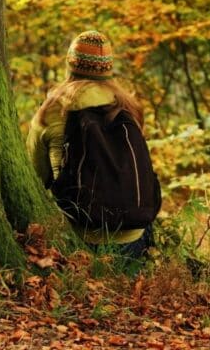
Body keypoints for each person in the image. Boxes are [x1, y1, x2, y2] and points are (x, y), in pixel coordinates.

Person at [27, 30, 154, 260]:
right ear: (108, 68)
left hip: (84, 236)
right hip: (136, 233)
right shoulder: (128, 106)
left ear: (70, 64)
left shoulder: (53, 111)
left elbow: (34, 177)